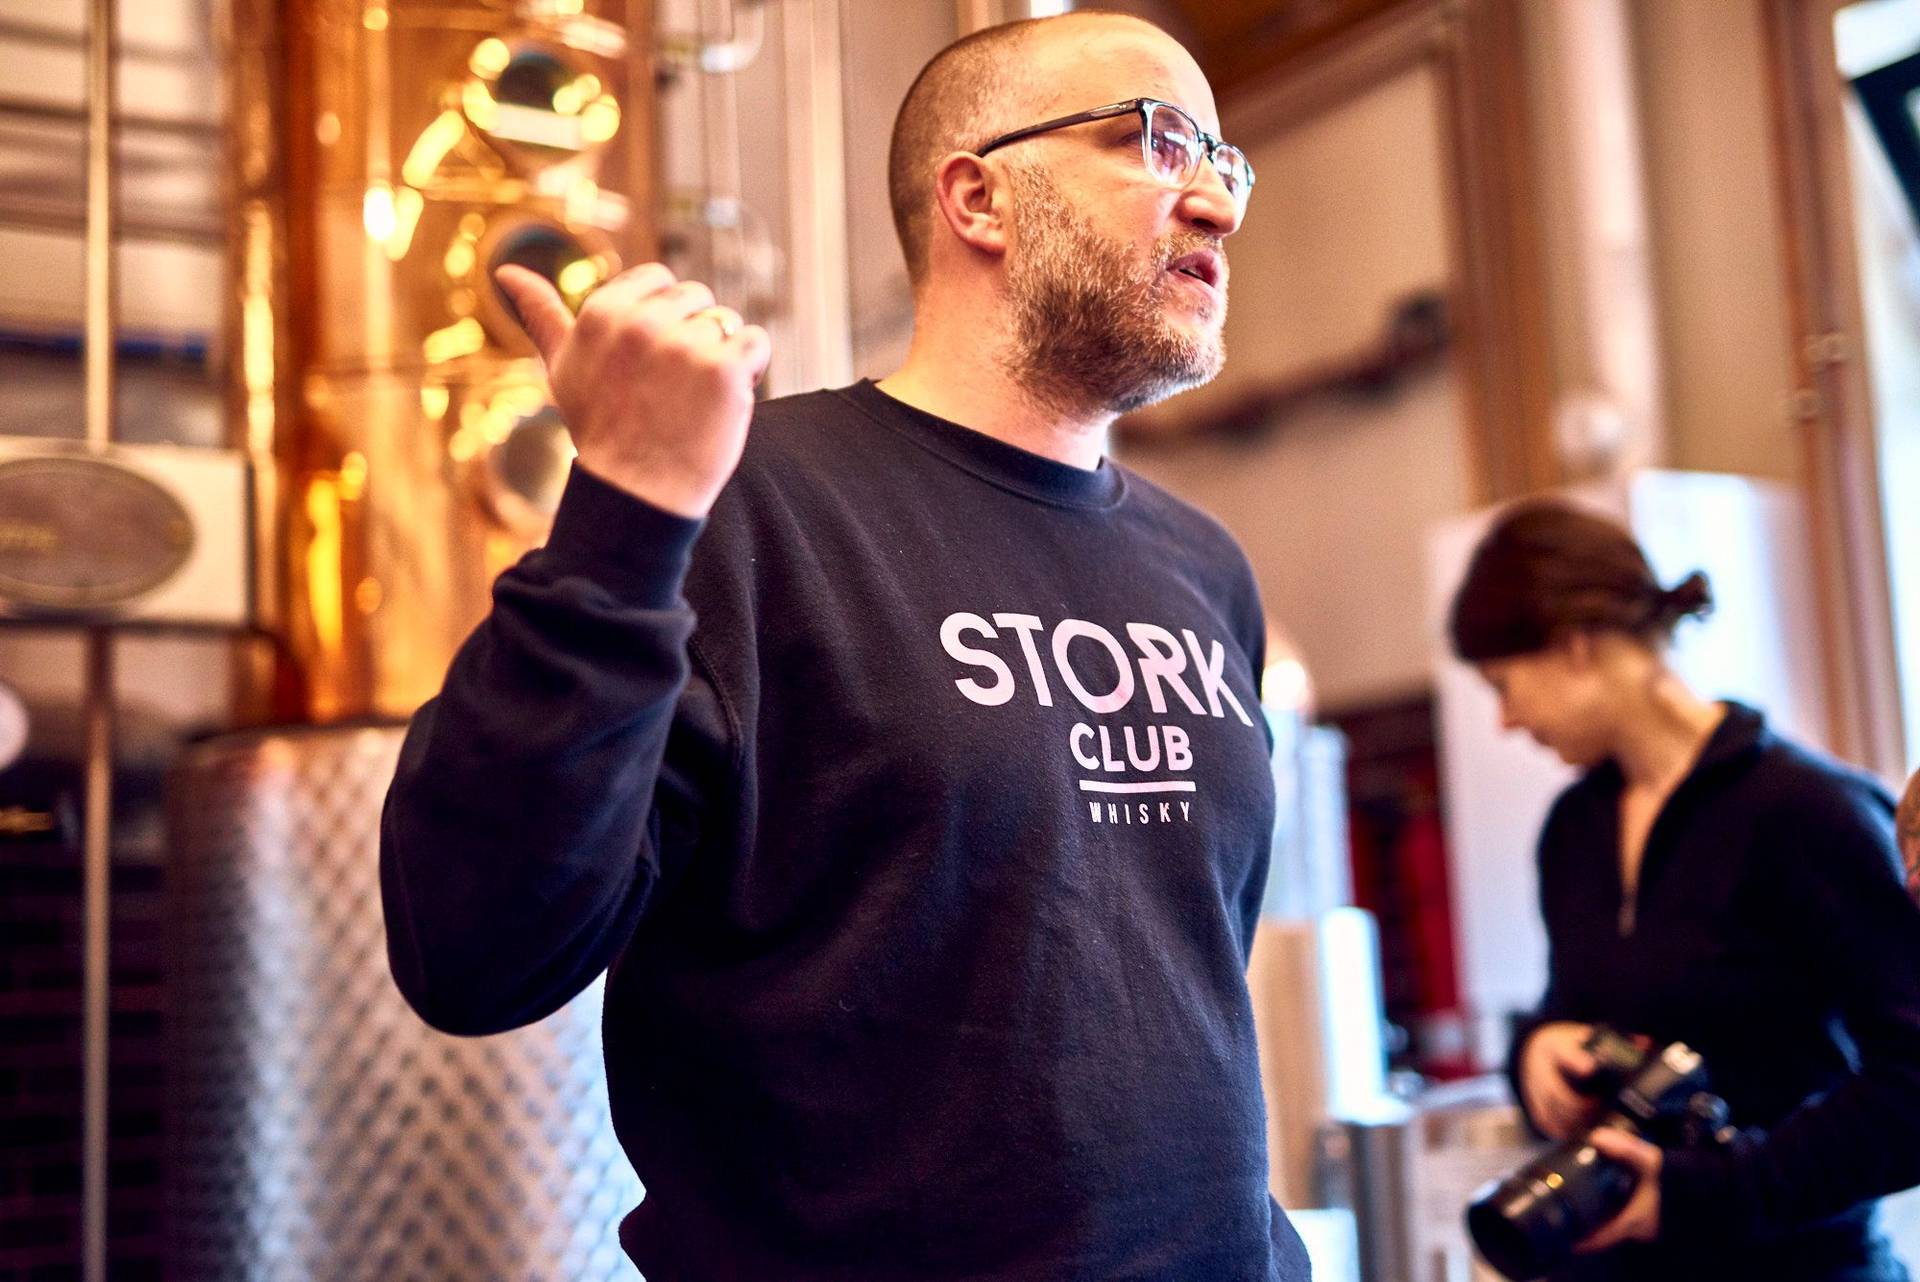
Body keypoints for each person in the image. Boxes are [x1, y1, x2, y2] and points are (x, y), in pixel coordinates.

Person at [380, 11, 1314, 1280]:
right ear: (980, 198)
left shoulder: (1205, 566)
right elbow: (475, 951)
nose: (1216, 202)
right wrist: (627, 509)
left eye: (1225, 160)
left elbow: (1179, 989)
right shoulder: (743, 502)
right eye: (1158, 142)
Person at [1449, 498, 1920, 1281]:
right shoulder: (1574, 828)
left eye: (1504, 684)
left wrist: (1710, 1194)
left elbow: (1915, 1083)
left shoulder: (1811, 811)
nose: (1504, 720)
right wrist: (1537, 1050)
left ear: (1575, 646)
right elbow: (1574, 1008)